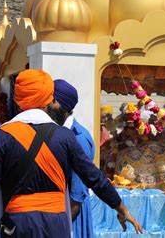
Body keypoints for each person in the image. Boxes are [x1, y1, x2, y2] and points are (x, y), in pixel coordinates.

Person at [0, 69, 143, 237]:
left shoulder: (3, 136)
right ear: (49, 99)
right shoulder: (65, 136)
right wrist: (122, 209)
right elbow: (94, 178)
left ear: (18, 100)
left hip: (19, 225)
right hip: (56, 225)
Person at [51, 79, 96, 238]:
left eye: (49, 100)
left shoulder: (78, 137)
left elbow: (77, 195)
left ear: (58, 103)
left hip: (72, 216)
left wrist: (57, 230)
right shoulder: (62, 132)